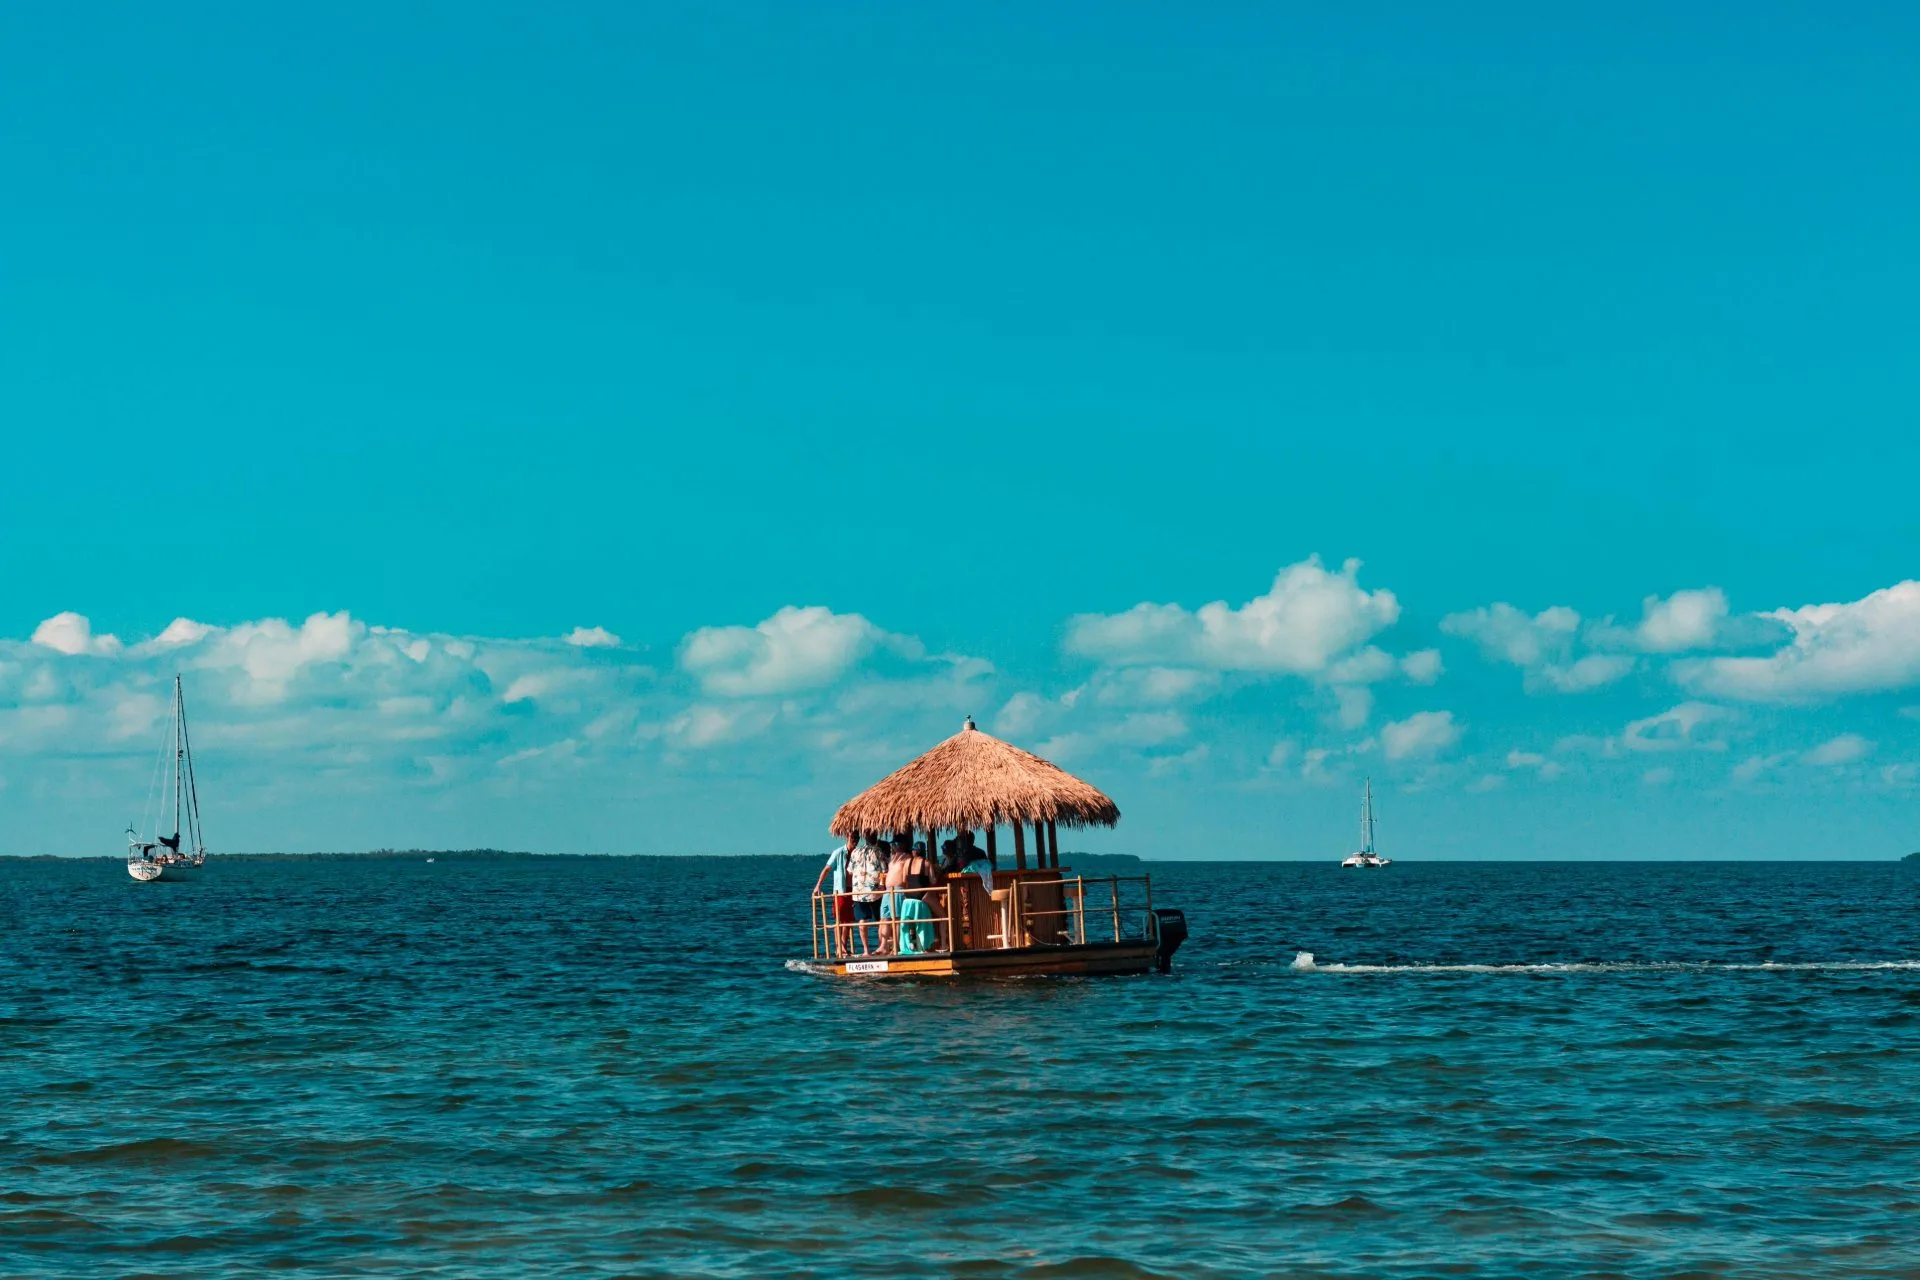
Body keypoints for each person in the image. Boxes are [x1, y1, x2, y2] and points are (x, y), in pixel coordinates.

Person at [812, 840, 853, 957]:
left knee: (848, 920)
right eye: (853, 837)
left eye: (857, 837)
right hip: (840, 890)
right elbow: (826, 869)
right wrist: (818, 885)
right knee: (839, 920)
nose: (855, 840)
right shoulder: (838, 852)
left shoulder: (856, 853)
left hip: (853, 890)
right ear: (848, 837)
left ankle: (844, 946)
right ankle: (839, 948)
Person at [847, 834, 884, 955]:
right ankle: (880, 946)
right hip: (875, 891)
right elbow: (884, 871)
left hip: (859, 891)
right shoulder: (878, 851)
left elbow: (850, 871)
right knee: (880, 920)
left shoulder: (855, 852)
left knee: (862, 920)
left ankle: (866, 950)